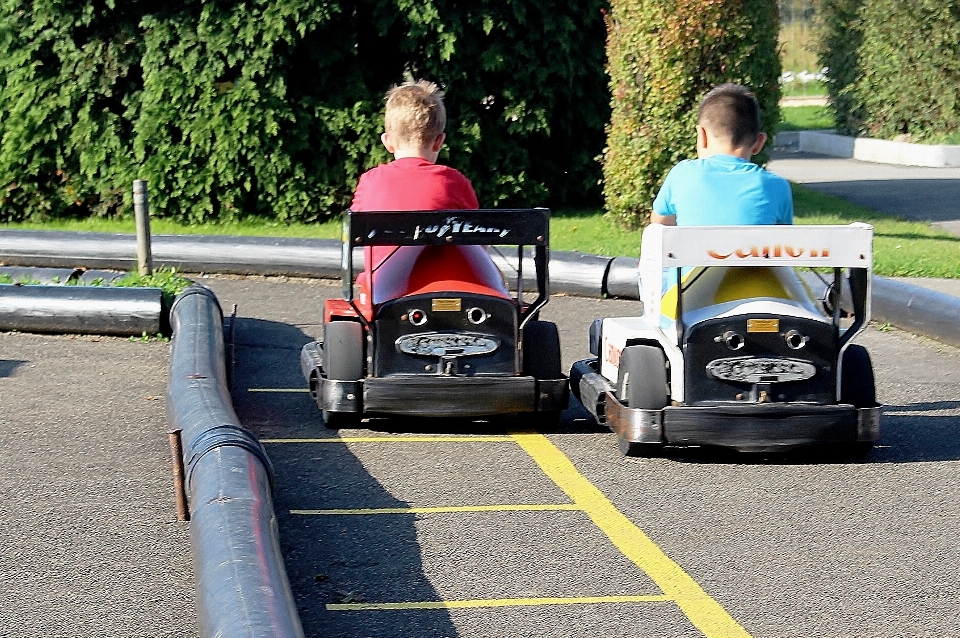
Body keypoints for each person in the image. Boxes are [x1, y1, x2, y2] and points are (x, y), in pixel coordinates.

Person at [350, 80, 506, 305]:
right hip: (454, 286)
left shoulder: (371, 181)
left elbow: (357, 232)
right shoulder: (452, 181)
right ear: (439, 141)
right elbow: (478, 241)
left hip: (385, 289)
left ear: (387, 142)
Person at [650, 83, 792, 226]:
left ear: (702, 135)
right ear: (759, 143)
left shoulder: (681, 175)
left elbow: (659, 226)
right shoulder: (777, 187)